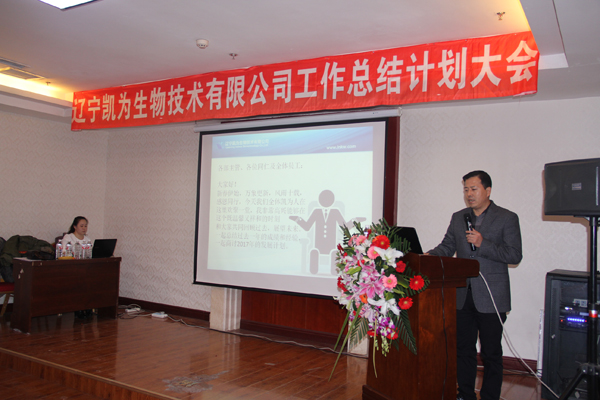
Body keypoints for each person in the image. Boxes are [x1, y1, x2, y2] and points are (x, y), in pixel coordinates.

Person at [426, 170, 522, 400]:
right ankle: (465, 394)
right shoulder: (458, 217)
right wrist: (426, 256)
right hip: (462, 295)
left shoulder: (507, 217)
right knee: (463, 349)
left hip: (492, 296)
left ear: (487, 191)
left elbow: (514, 255)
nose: (469, 194)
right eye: (466, 189)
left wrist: (483, 243)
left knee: (491, 353)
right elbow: (447, 247)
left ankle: (490, 396)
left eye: (473, 189)